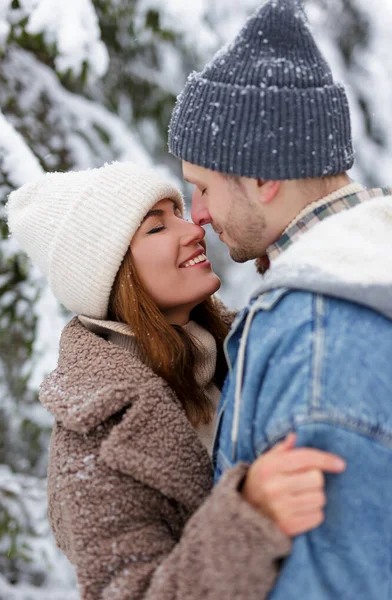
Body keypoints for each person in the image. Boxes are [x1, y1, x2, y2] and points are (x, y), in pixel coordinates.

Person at [6, 161, 345, 600]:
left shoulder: (246, 346)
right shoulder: (94, 441)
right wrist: (249, 517)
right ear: (109, 273)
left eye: (179, 214)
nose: (193, 230)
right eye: (156, 228)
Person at [168, 0, 392, 598]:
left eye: (204, 186)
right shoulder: (358, 283)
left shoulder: (317, 328)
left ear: (264, 177)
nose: (200, 216)